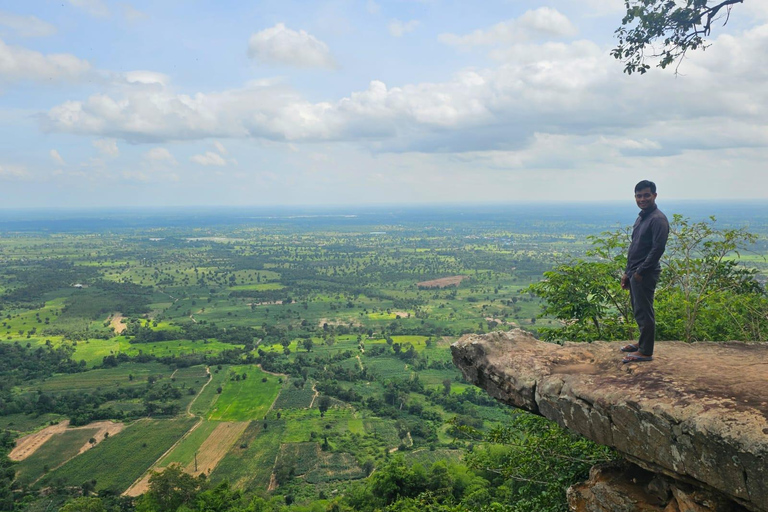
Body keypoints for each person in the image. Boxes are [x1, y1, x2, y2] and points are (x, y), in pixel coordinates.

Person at [620, 180, 669, 363]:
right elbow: (635, 248)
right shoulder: (642, 217)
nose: (642, 199)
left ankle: (646, 351)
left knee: (644, 311)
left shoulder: (657, 219)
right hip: (635, 272)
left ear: (654, 195)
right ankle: (642, 344)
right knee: (638, 309)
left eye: (646, 195)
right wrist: (628, 272)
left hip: (644, 273)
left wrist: (640, 272)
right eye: (639, 196)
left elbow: (658, 249)